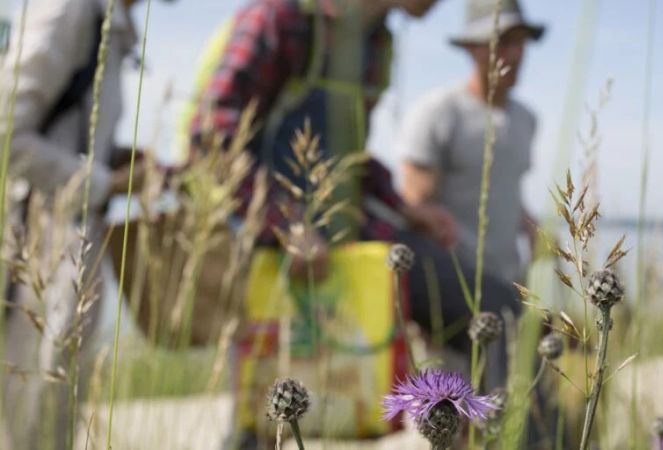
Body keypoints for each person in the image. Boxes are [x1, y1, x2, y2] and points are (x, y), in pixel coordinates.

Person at [186, 1, 521, 448]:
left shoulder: (377, 40)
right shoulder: (280, 18)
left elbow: (350, 155)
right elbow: (209, 140)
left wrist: (403, 208)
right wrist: (285, 224)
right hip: (264, 245)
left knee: (498, 310)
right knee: (264, 413)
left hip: (354, 232)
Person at [0, 0, 175, 448]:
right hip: (36, 247)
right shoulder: (69, 12)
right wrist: (106, 183)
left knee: (56, 409)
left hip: (69, 243)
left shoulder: (109, 23)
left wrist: (120, 160)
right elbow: (6, 135)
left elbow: (62, 131)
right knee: (33, 411)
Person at [397, 0, 544, 284]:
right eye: (502, 42)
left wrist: (534, 229)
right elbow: (415, 207)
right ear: (472, 48)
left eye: (520, 42)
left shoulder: (526, 118)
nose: (514, 54)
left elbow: (507, 190)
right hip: (453, 286)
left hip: (510, 283)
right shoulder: (437, 113)